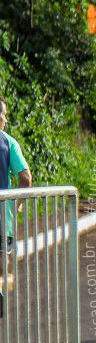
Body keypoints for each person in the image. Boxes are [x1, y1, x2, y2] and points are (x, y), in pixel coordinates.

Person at [0, 96, 33, 317]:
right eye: (4, 114)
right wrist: (18, 204)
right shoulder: (8, 143)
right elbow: (26, 177)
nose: (5, 118)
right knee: (3, 268)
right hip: (2, 219)